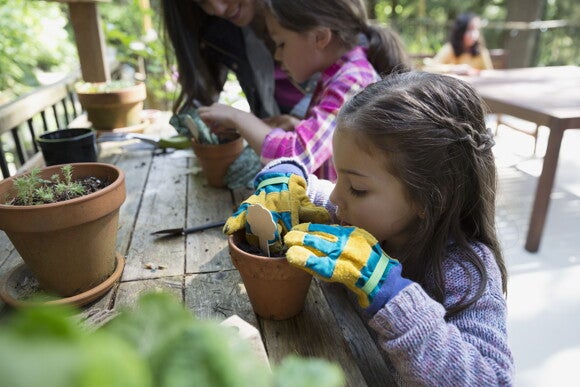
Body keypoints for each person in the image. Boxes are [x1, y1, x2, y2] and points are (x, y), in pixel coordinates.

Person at [223, 71, 514, 385]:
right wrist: (281, 177)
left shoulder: (465, 273)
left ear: (429, 198)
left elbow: (492, 381)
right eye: (339, 178)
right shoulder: (353, 213)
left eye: (357, 188)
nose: (336, 197)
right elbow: (301, 180)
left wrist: (390, 294)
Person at [198, 0, 410, 181]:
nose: (278, 56)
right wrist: (297, 125)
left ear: (320, 37)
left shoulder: (352, 82)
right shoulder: (340, 76)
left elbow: (296, 156)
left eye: (281, 44)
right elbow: (334, 145)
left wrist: (238, 117)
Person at [160, 0, 314, 119]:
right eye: (202, 1)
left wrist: (300, 123)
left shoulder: (314, 10)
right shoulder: (222, 33)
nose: (218, 9)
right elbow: (202, 94)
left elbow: (336, 88)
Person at [428, 12, 494, 75]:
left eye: (476, 29)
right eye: (469, 29)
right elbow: (430, 69)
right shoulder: (450, 49)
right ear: (460, 31)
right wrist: (453, 69)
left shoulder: (481, 51)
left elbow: (490, 73)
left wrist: (474, 72)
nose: (474, 34)